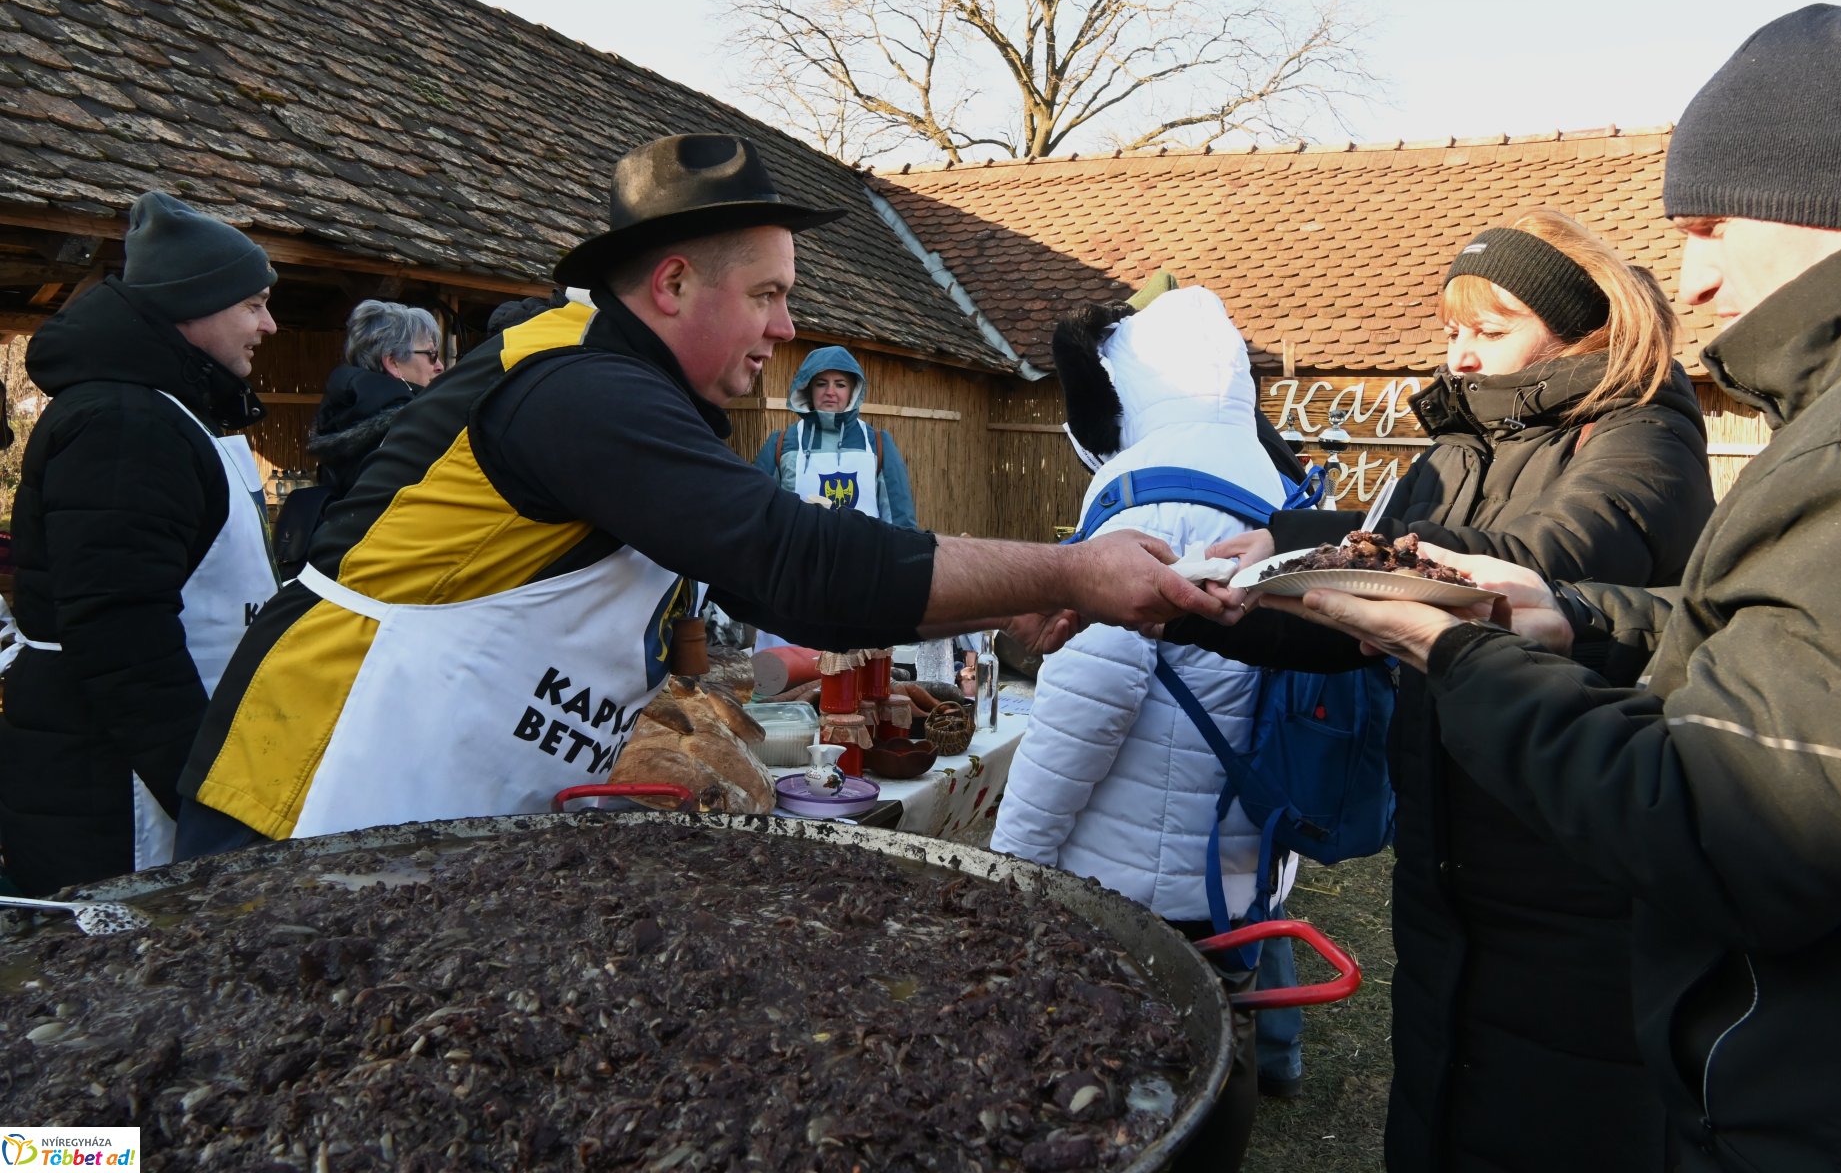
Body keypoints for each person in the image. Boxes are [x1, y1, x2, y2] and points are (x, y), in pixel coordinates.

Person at [1260, 4, 1841, 1173]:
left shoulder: (1693, 439)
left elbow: (1559, 557)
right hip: (1465, 863)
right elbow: (1751, 630)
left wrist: (1465, 626)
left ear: (1831, 199)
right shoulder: (1454, 444)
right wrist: (1249, 589)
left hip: (1582, 890)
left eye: (1712, 224)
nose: (1698, 276)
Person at [173, 133, 1225, 854]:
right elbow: (795, 562)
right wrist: (1071, 567)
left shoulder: (632, 394)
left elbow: (728, 607)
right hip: (306, 785)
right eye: (767, 295)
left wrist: (1006, 596)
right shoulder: (580, 390)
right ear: (672, 285)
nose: (783, 329)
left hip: (438, 794)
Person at [1171, 208, 1715, 1170]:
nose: (1461, 356)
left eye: (1490, 328)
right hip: (1446, 860)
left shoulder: (1642, 440)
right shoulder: (1456, 450)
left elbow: (1518, 571)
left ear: (1582, 327)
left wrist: (1310, 548)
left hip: (1571, 868)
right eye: (1454, 329)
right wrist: (1180, 601)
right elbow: (1361, 628)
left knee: (1558, 1119)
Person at [992, 285, 1290, 1170]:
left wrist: (1009, 870)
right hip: (1230, 863)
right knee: (1207, 1054)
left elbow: (1088, 706)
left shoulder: (1148, 514)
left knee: (1120, 1089)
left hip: (1132, 886)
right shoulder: (1268, 500)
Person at [0, 191, 280, 893]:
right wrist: (203, 793)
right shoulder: (125, 423)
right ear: (195, 307)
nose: (270, 325)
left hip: (138, 747)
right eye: (252, 305)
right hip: (109, 772)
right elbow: (120, 629)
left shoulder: (162, 408)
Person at [750, 342, 918, 651]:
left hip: (861, 585)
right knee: (784, 683)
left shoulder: (877, 445)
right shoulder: (783, 444)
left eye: (840, 384)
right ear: (808, 389)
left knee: (856, 683)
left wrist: (902, 582)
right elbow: (756, 517)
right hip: (794, 587)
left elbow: (901, 523)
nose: (831, 392)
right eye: (821, 383)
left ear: (853, 390)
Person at [308, 300, 444, 502]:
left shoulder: (340, 419)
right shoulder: (410, 430)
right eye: (431, 354)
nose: (440, 366)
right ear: (393, 362)